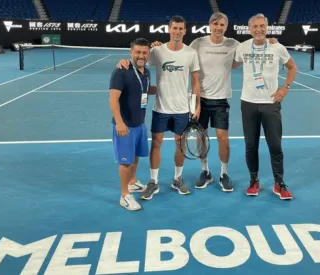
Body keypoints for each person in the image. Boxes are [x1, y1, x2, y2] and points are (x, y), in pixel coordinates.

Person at [117, 12, 277, 193]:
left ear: (226, 27)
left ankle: (215, 175)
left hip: (212, 101)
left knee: (216, 139)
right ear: (210, 26)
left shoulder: (229, 45)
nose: (218, 28)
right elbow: (147, 58)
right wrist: (126, 61)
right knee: (184, 140)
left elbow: (249, 50)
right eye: (215, 25)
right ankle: (193, 173)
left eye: (222, 25)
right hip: (180, 103)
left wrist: (271, 42)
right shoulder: (189, 46)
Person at [233, 13, 296, 200]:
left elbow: (292, 67)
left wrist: (285, 88)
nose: (259, 29)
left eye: (262, 26)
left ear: (267, 28)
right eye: (255, 27)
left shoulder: (277, 47)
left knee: (275, 145)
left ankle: (279, 183)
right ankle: (254, 180)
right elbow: (231, 64)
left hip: (271, 103)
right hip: (248, 103)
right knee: (251, 145)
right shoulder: (243, 47)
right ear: (249, 28)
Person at [139, 15, 201, 200]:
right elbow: (140, 63)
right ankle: (153, 181)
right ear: (169, 29)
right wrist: (126, 62)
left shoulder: (191, 53)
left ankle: (177, 179)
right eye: (174, 28)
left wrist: (196, 105)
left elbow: (196, 81)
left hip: (182, 108)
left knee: (180, 145)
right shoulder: (158, 51)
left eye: (181, 28)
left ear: (185, 31)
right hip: (161, 108)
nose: (177, 32)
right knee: (156, 144)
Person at [109, 37, 156, 211]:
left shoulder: (147, 72)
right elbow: (113, 99)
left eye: (144, 52)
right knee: (125, 162)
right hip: (125, 126)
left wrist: (166, 89)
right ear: (131, 52)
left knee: (135, 156)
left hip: (140, 124)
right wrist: (120, 123)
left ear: (148, 53)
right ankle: (124, 196)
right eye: (138, 52)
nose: (141, 55)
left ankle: (132, 182)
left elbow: (146, 90)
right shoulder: (121, 71)